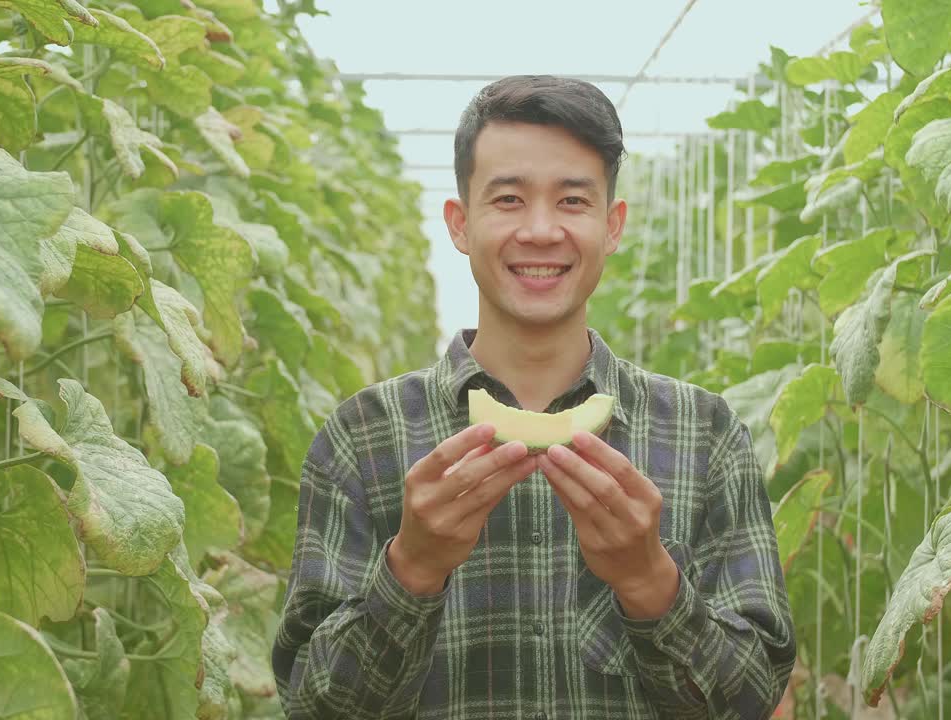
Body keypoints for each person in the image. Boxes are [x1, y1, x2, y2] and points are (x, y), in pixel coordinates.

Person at [272, 74, 796, 719]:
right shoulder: (362, 438)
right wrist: (410, 569)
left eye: (573, 201)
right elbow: (311, 704)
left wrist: (648, 582)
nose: (541, 230)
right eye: (509, 199)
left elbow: (752, 700)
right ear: (461, 224)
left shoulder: (706, 434)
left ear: (612, 225)